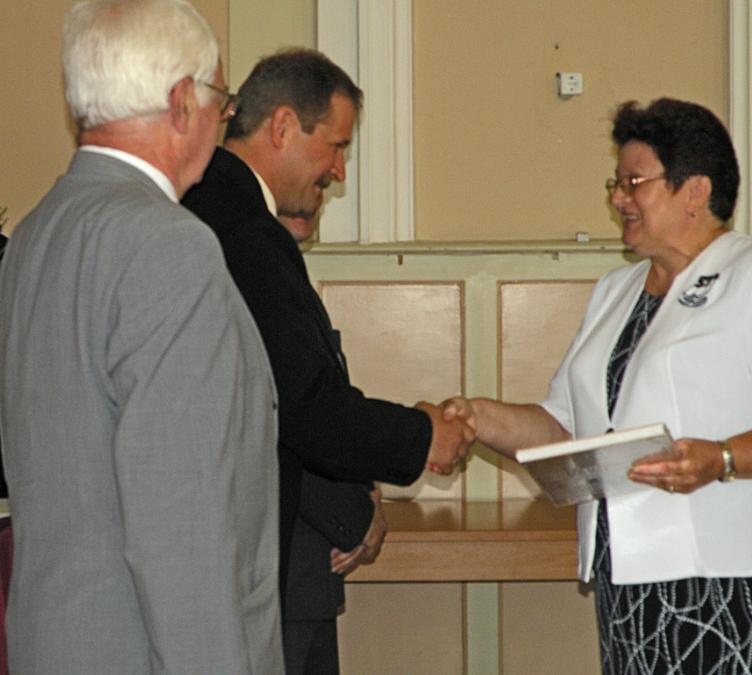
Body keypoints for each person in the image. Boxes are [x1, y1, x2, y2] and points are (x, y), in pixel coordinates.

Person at [442, 98, 752, 673]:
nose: (619, 199)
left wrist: (722, 458)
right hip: (635, 583)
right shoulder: (615, 291)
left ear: (695, 190)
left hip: (751, 584)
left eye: (634, 182)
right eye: (616, 184)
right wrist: (478, 417)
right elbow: (569, 429)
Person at [0, 1, 283, 673]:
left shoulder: (37, 232)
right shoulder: (167, 246)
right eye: (221, 99)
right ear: (182, 101)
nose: (222, 118)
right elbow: (180, 527)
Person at [182, 48, 473, 674]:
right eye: (335, 146)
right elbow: (299, 406)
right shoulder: (243, 231)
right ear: (283, 126)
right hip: (251, 555)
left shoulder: (216, 210)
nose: (339, 171)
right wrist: (421, 435)